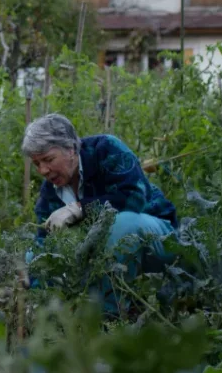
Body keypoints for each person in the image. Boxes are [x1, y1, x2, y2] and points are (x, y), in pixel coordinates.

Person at [22, 113, 178, 313]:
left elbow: (134, 197)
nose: (43, 170)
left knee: (122, 224)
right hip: (105, 254)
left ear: (70, 149)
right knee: (33, 255)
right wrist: (36, 293)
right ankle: (50, 313)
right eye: (37, 164)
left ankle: (108, 317)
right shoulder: (50, 192)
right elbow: (44, 243)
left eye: (48, 159)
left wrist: (78, 208)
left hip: (158, 239)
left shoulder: (106, 149)